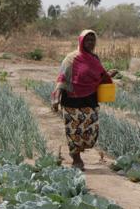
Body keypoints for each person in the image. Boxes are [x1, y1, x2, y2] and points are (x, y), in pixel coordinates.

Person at [50, 29, 118, 169]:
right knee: (74, 132)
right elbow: (62, 78)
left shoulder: (94, 58)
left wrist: (108, 74)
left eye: (93, 40)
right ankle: (76, 159)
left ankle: (79, 152)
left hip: (90, 100)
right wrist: (56, 98)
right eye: (87, 40)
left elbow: (99, 75)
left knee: (91, 131)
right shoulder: (71, 59)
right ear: (81, 41)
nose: (90, 42)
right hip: (72, 100)